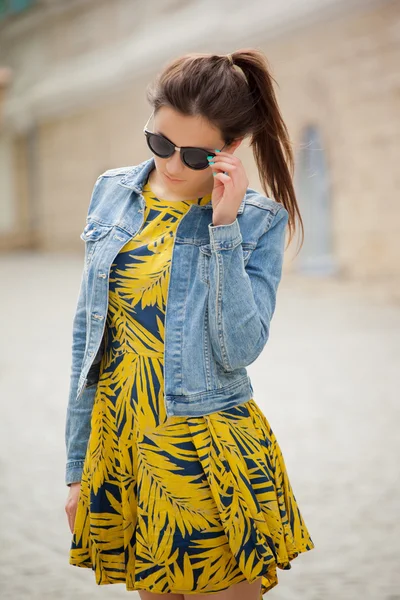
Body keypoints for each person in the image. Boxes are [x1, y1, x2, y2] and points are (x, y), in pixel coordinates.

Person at [64, 49, 314, 600]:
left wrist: (223, 232)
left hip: (208, 451)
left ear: (231, 150)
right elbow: (89, 340)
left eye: (196, 155)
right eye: (159, 144)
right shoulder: (111, 193)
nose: (172, 165)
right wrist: (77, 466)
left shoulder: (257, 222)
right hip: (124, 446)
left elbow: (240, 348)